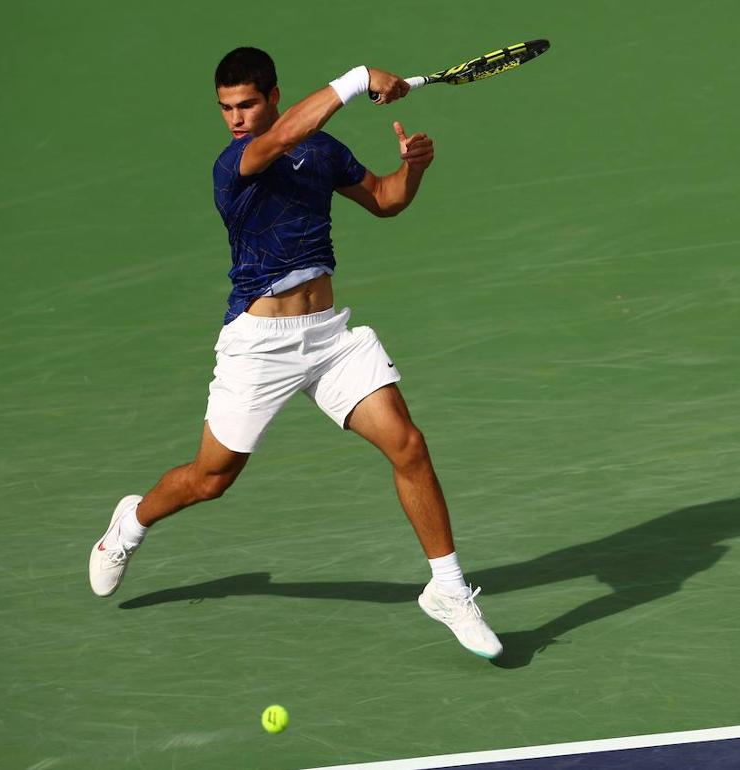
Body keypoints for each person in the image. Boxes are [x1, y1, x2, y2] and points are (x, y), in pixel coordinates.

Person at [88, 47, 502, 660]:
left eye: (248, 104)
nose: (236, 117)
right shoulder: (238, 162)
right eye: (227, 107)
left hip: (330, 338)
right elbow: (285, 136)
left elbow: (386, 200)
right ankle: (130, 524)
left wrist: (412, 168)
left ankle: (446, 588)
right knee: (210, 480)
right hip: (260, 346)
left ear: (273, 94)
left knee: (407, 444)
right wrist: (360, 78)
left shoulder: (323, 152)